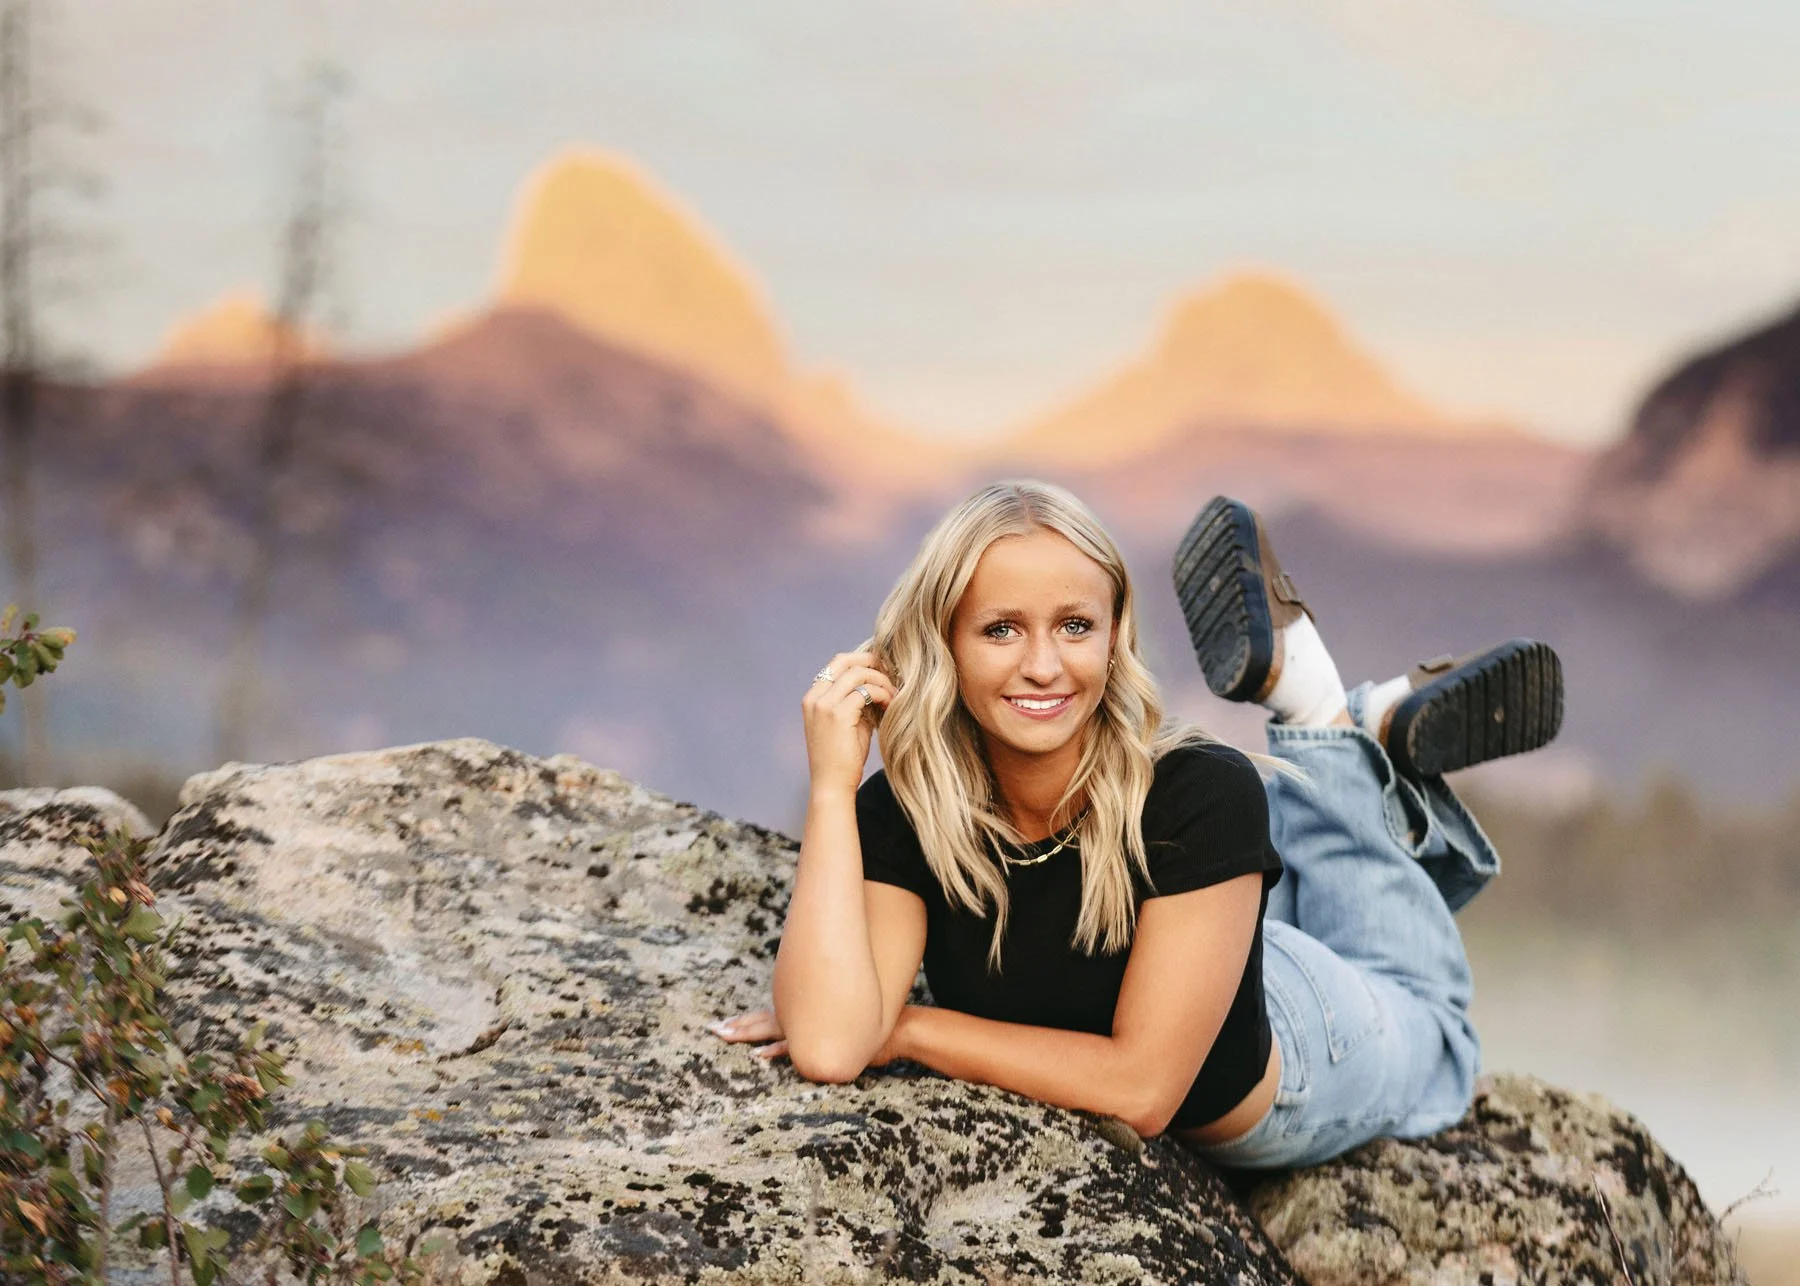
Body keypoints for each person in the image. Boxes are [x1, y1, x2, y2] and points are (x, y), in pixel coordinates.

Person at [709, 480, 1562, 1167]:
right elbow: (827, 1045)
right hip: (1200, 945)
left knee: (1437, 1040)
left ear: (1115, 636)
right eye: (1001, 629)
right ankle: (1351, 738)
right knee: (1286, 905)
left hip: (1300, 1036)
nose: (1043, 665)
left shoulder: (1198, 793)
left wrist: (903, 1027)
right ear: (945, 644)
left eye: (1075, 626)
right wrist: (832, 785)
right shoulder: (906, 810)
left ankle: (1323, 718)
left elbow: (1142, 1091)